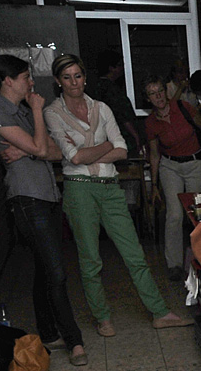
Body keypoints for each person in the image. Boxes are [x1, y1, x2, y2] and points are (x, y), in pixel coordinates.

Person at [43, 53, 192, 338]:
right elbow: (73, 157)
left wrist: (90, 151)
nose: (74, 82)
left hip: (110, 188)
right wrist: (103, 146)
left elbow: (123, 150)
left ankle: (160, 312)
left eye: (78, 75)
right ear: (58, 81)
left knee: (134, 253)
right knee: (90, 259)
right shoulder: (53, 112)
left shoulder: (102, 108)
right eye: (67, 77)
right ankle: (102, 317)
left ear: (85, 77)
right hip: (79, 189)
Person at [0, 55, 87, 365]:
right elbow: (43, 149)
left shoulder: (24, 112)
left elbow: (54, 151)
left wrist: (35, 148)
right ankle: (74, 340)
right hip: (27, 198)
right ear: (8, 81)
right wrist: (39, 117)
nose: (31, 82)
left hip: (47, 195)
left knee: (45, 268)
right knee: (56, 271)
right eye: (26, 77)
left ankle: (48, 332)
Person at [143, 75, 201, 281]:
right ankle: (173, 264)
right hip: (170, 166)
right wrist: (154, 185)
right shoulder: (150, 123)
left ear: (166, 92)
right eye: (153, 94)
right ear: (148, 99)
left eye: (160, 92)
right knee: (174, 215)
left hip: (195, 162)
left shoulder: (182, 107)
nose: (158, 97)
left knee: (197, 214)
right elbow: (154, 154)